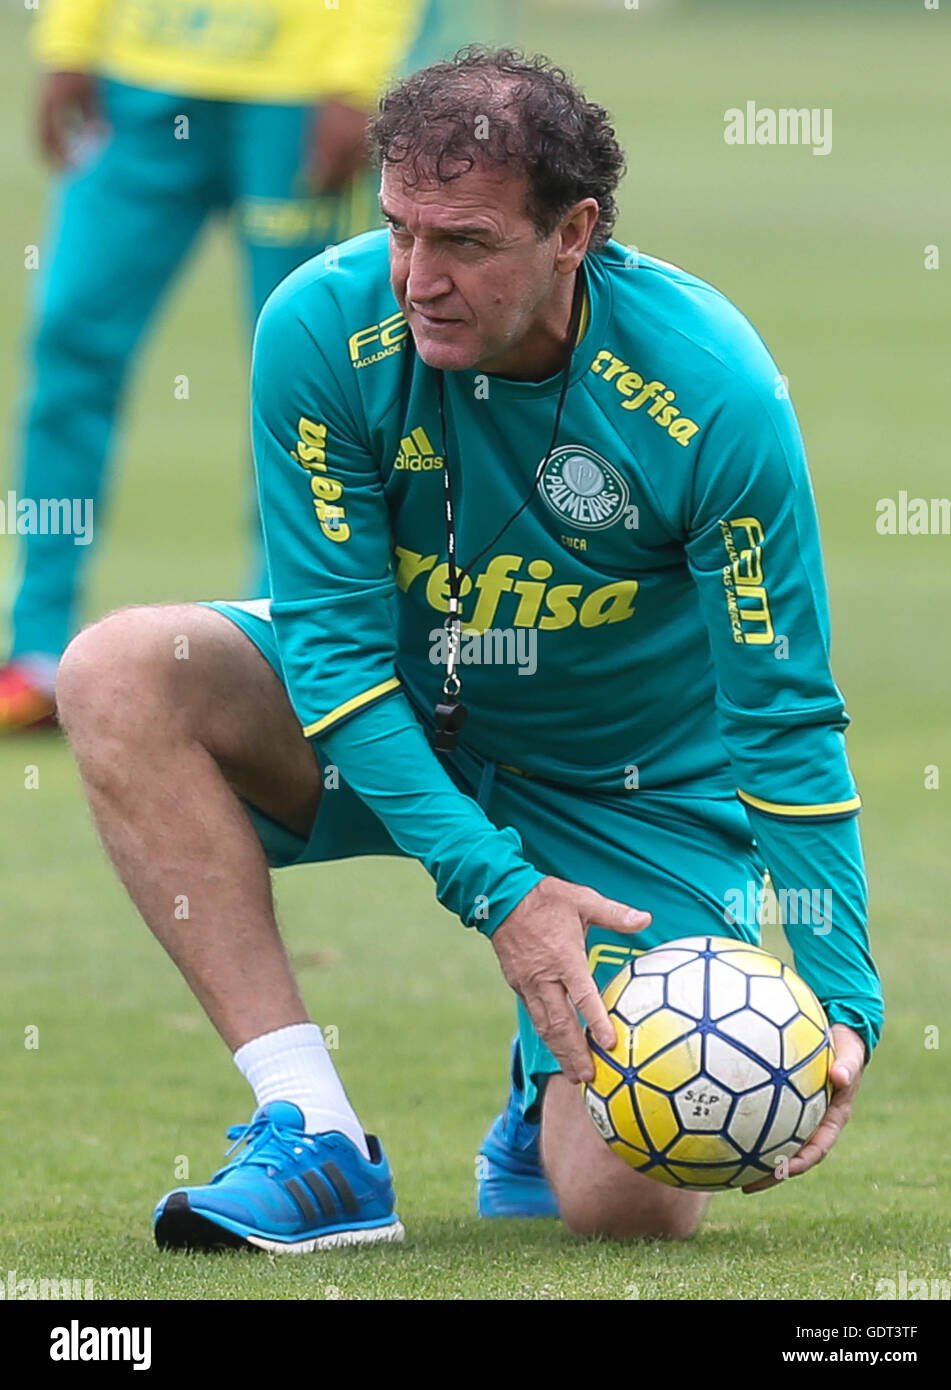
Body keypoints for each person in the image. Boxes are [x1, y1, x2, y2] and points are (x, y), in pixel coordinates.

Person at [56, 47, 883, 1251]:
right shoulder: (321, 330)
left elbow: (783, 713)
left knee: (628, 1209)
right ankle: (315, 1132)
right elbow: (334, 659)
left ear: (573, 232)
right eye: (398, 229)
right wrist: (500, 890)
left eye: (464, 244)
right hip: (393, 718)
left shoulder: (712, 392)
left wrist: (845, 996)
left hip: (628, 786)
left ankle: (531, 1102)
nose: (416, 279)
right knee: (120, 669)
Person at [0, 0, 499, 732]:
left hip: (293, 87)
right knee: (69, 342)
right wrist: (71, 39)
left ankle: (282, 650)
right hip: (136, 75)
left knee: (311, 366)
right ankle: (37, 648)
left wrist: (353, 78)